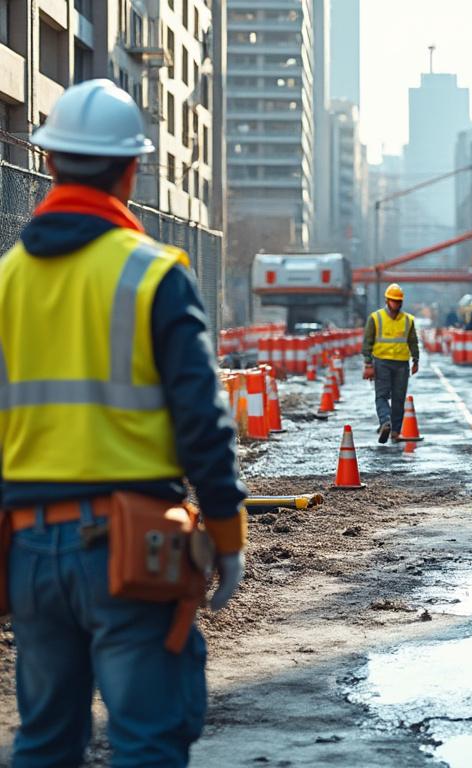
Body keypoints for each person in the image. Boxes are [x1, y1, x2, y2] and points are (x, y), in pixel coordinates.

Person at [0, 79, 248, 767]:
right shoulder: (153, 273)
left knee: (45, 743)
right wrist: (226, 535)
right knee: (146, 741)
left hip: (27, 549)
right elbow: (203, 422)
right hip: (131, 549)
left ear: (50, 165)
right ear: (132, 170)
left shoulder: (5, 281)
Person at [362, 283, 420, 444]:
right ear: (387, 300)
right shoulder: (376, 318)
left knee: (398, 398)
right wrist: (368, 364)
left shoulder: (408, 320)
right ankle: (386, 422)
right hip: (382, 363)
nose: (396, 304)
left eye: (398, 301)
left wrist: (416, 360)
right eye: (393, 301)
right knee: (381, 395)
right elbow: (368, 342)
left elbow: (413, 341)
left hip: (402, 364)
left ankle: (394, 430)